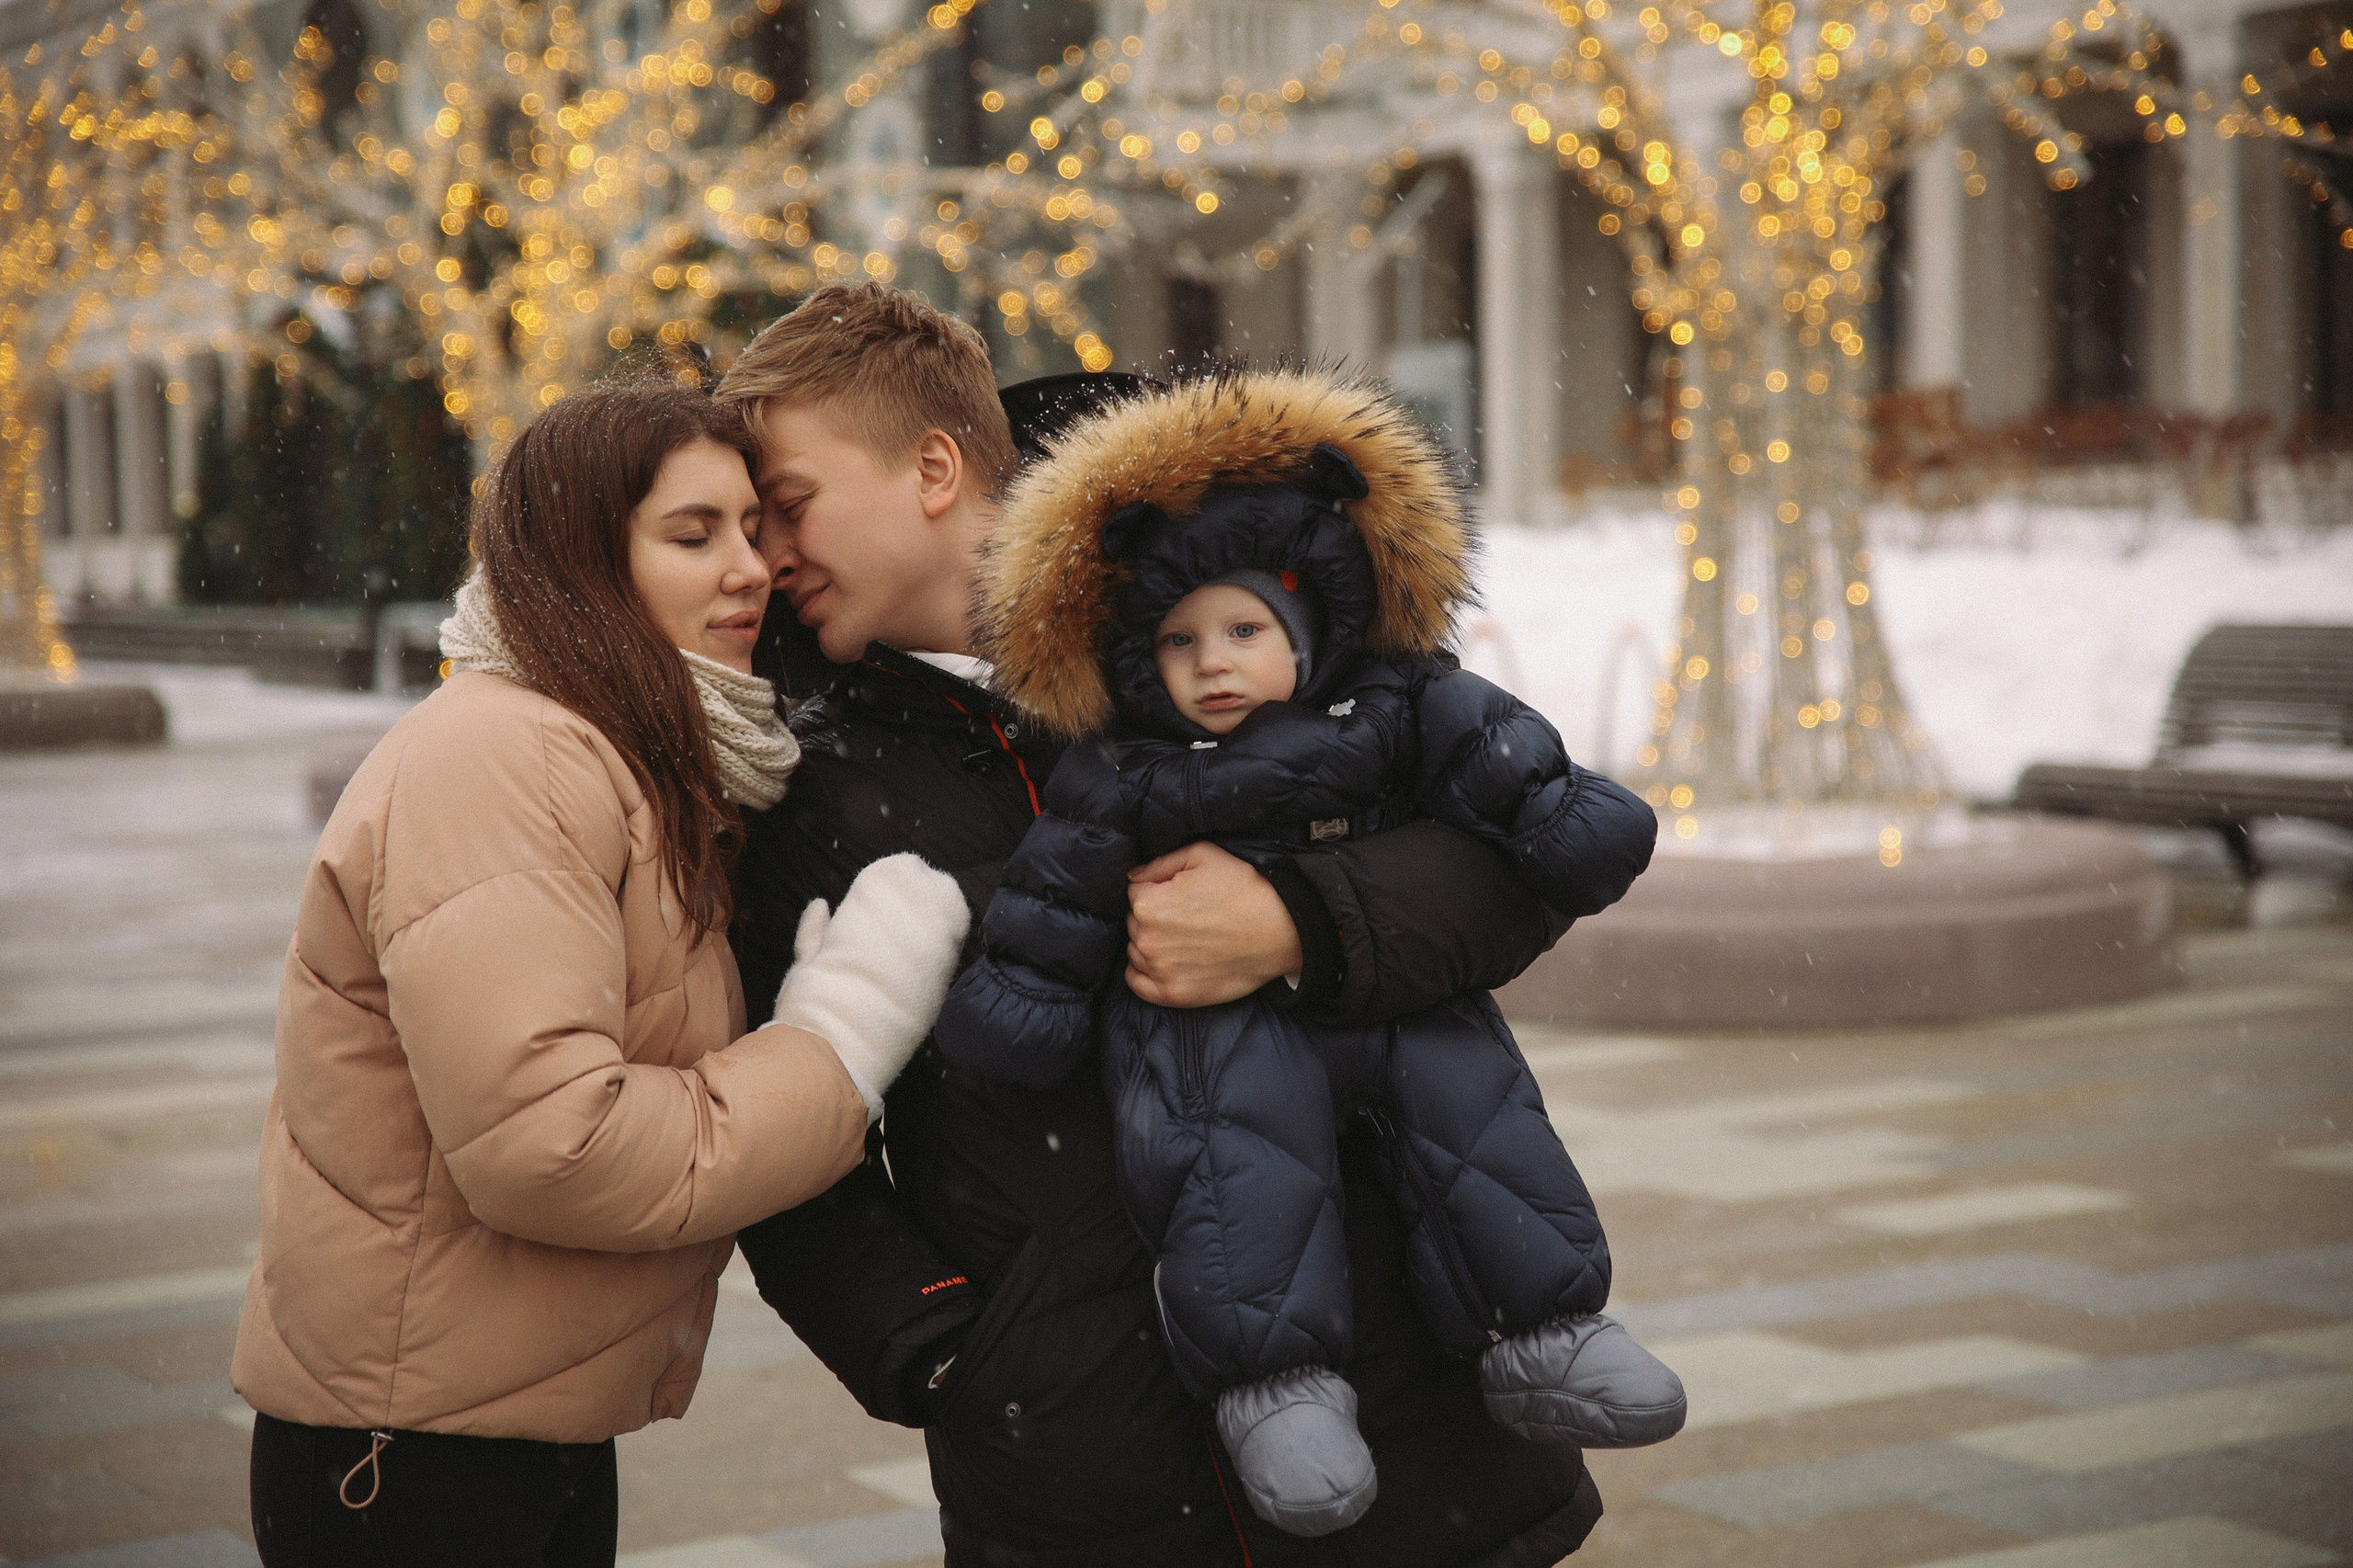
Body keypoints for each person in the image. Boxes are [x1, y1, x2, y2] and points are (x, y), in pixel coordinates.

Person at [720, 284, 1618, 1566]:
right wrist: (946, 1354)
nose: (770, 554)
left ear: (930, 468)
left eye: (791, 503)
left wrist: (1299, 918)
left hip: (1413, 1429)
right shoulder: (792, 773)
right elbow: (788, 1131)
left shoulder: (1220, 599)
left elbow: (1517, 862)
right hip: (1089, 1470)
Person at [232, 378, 972, 1567]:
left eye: (751, 527)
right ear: (579, 560)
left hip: (509, 1426)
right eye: (692, 535)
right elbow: (554, 1144)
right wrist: (839, 1039)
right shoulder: (505, 757)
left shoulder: (628, 752)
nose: (750, 567)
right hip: (412, 1460)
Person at [933, 366, 1683, 1538]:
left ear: (1307, 619)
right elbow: (1057, 893)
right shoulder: (1126, 767)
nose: (1216, 661)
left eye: (1244, 629)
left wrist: (1567, 819)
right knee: (1236, 1156)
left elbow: (1510, 767)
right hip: (1209, 1025)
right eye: (1180, 640)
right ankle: (1276, 1384)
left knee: (1472, 1102)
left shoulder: (1395, 700)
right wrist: (1016, 1004)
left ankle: (1545, 1324)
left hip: (1395, 1000)